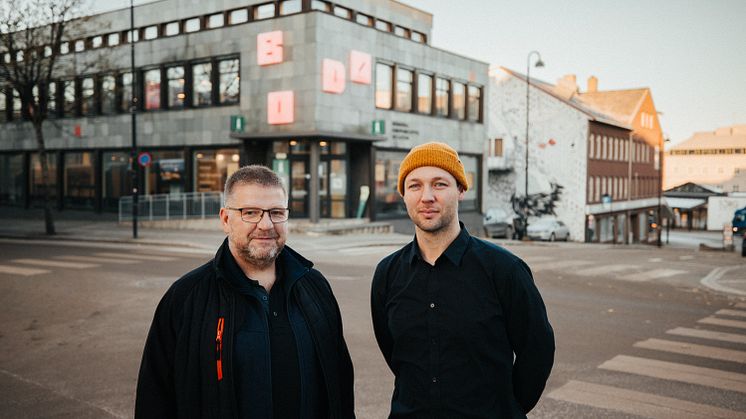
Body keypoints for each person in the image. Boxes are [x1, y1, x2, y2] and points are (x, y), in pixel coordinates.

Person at [135, 165, 354, 419]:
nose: (266, 224)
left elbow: (340, 383)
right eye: (250, 212)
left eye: (276, 212)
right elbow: (155, 398)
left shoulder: (315, 287)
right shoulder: (186, 298)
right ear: (226, 219)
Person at [371, 142, 555, 418]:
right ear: (404, 195)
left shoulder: (504, 270)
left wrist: (507, 408)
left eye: (440, 184)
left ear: (461, 190)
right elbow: (395, 354)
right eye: (415, 186)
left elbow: (537, 352)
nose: (427, 196)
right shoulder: (388, 274)